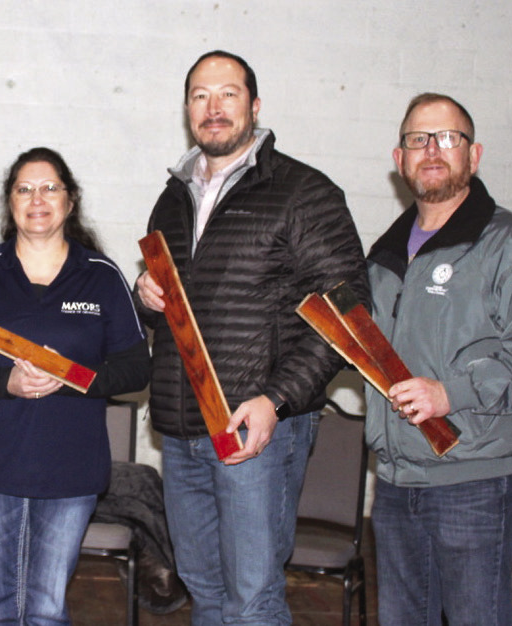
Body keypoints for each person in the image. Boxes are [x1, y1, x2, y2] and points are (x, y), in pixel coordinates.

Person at [134, 50, 368, 624]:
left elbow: (347, 309)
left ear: (255, 105)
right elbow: (181, 309)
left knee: (252, 594)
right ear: (187, 109)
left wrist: (276, 399)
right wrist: (145, 294)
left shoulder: (302, 191)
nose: (213, 108)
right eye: (200, 96)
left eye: (228, 94)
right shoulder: (173, 196)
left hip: (257, 429)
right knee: (204, 587)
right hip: (184, 428)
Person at [365, 93, 512, 625]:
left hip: (474, 487)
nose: (431, 149)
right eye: (418, 139)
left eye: (447, 138)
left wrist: (450, 392)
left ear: (474, 155)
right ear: (399, 159)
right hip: (393, 483)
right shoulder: (384, 256)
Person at [0, 147, 151, 624]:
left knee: (47, 611)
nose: (37, 199)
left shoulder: (101, 275)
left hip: (70, 470)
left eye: (50, 188)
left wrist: (69, 378)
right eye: (24, 189)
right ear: (10, 203)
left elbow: (136, 370)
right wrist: (4, 381)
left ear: (70, 202)